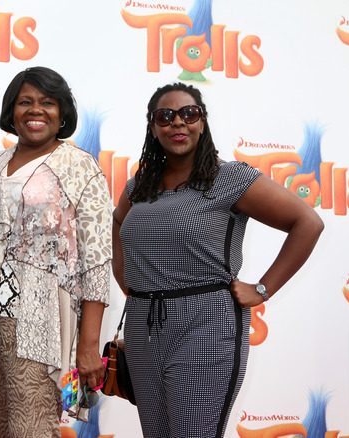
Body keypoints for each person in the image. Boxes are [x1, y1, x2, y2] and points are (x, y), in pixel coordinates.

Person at [112, 82, 324, 438]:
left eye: (188, 114)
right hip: (142, 328)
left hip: (206, 324)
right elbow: (118, 223)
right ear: (153, 127)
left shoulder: (229, 178)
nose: (177, 123)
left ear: (202, 122)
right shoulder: (139, 186)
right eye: (165, 116)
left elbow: (308, 222)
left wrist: (262, 288)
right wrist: (128, 280)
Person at [0, 66, 112, 437]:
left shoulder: (81, 166)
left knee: (33, 429)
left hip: (42, 321)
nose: (36, 111)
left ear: (62, 113)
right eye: (25, 102)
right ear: (11, 112)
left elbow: (97, 261)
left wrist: (89, 345)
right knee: (2, 430)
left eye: (48, 103)